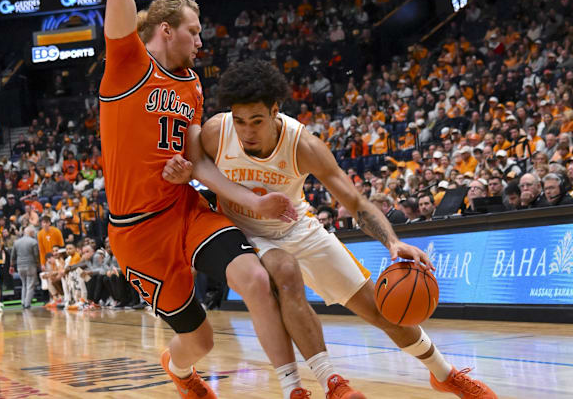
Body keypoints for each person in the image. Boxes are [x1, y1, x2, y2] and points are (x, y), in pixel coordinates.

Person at [165, 59, 497, 399]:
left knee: (382, 310)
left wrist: (392, 243)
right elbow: (196, 164)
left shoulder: (302, 145)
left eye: (256, 121)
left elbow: (354, 201)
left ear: (275, 112)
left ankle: (445, 374)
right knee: (284, 270)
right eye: (240, 121)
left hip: (298, 227)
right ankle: (331, 383)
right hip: (246, 234)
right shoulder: (218, 132)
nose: (246, 131)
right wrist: (181, 170)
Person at [100, 0, 311, 398]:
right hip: (138, 236)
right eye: (193, 32)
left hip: (184, 210)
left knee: (254, 277)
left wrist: (250, 199)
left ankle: (292, 389)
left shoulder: (192, 84)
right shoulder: (127, 65)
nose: (200, 41)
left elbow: (197, 162)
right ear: (166, 30)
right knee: (200, 342)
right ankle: (179, 370)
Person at [10, 226, 40, 309]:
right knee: (30, 285)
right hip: (30, 265)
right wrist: (38, 264)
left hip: (20, 266)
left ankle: (23, 302)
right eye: (33, 232)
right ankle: (27, 304)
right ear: (31, 233)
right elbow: (36, 255)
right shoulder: (33, 242)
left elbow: (13, 255)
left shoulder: (16, 242)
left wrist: (12, 265)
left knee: (24, 284)